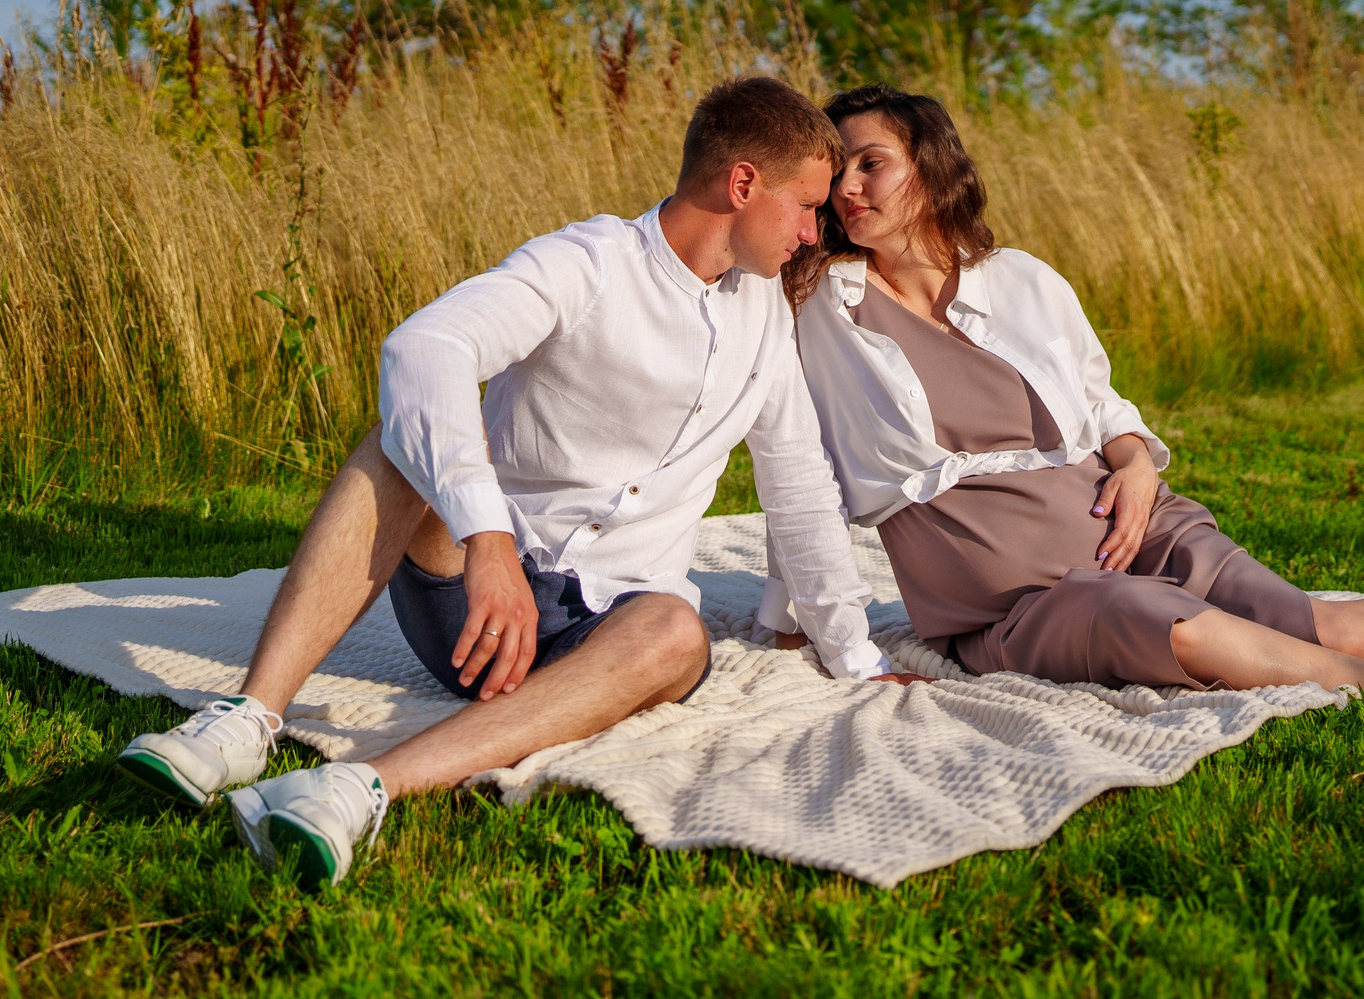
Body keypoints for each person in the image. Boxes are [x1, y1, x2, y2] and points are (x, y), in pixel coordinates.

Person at [117, 77, 901, 889]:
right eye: (806, 206)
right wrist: (487, 538)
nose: (814, 233)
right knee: (396, 442)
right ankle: (248, 720)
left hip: (609, 629)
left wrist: (857, 657)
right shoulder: (588, 261)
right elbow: (425, 349)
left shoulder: (766, 310)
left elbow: (799, 484)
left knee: (676, 630)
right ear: (742, 184)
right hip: (474, 605)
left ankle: (359, 786)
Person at [761, 84, 1364, 697]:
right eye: (835, 171)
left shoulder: (1022, 278)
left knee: (1307, 616)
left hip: (1132, 516)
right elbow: (795, 463)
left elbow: (1102, 406)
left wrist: (1135, 463)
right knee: (1160, 623)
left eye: (869, 162)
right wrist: (795, 616)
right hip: (1012, 595)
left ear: (929, 165)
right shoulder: (816, 307)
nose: (847, 187)